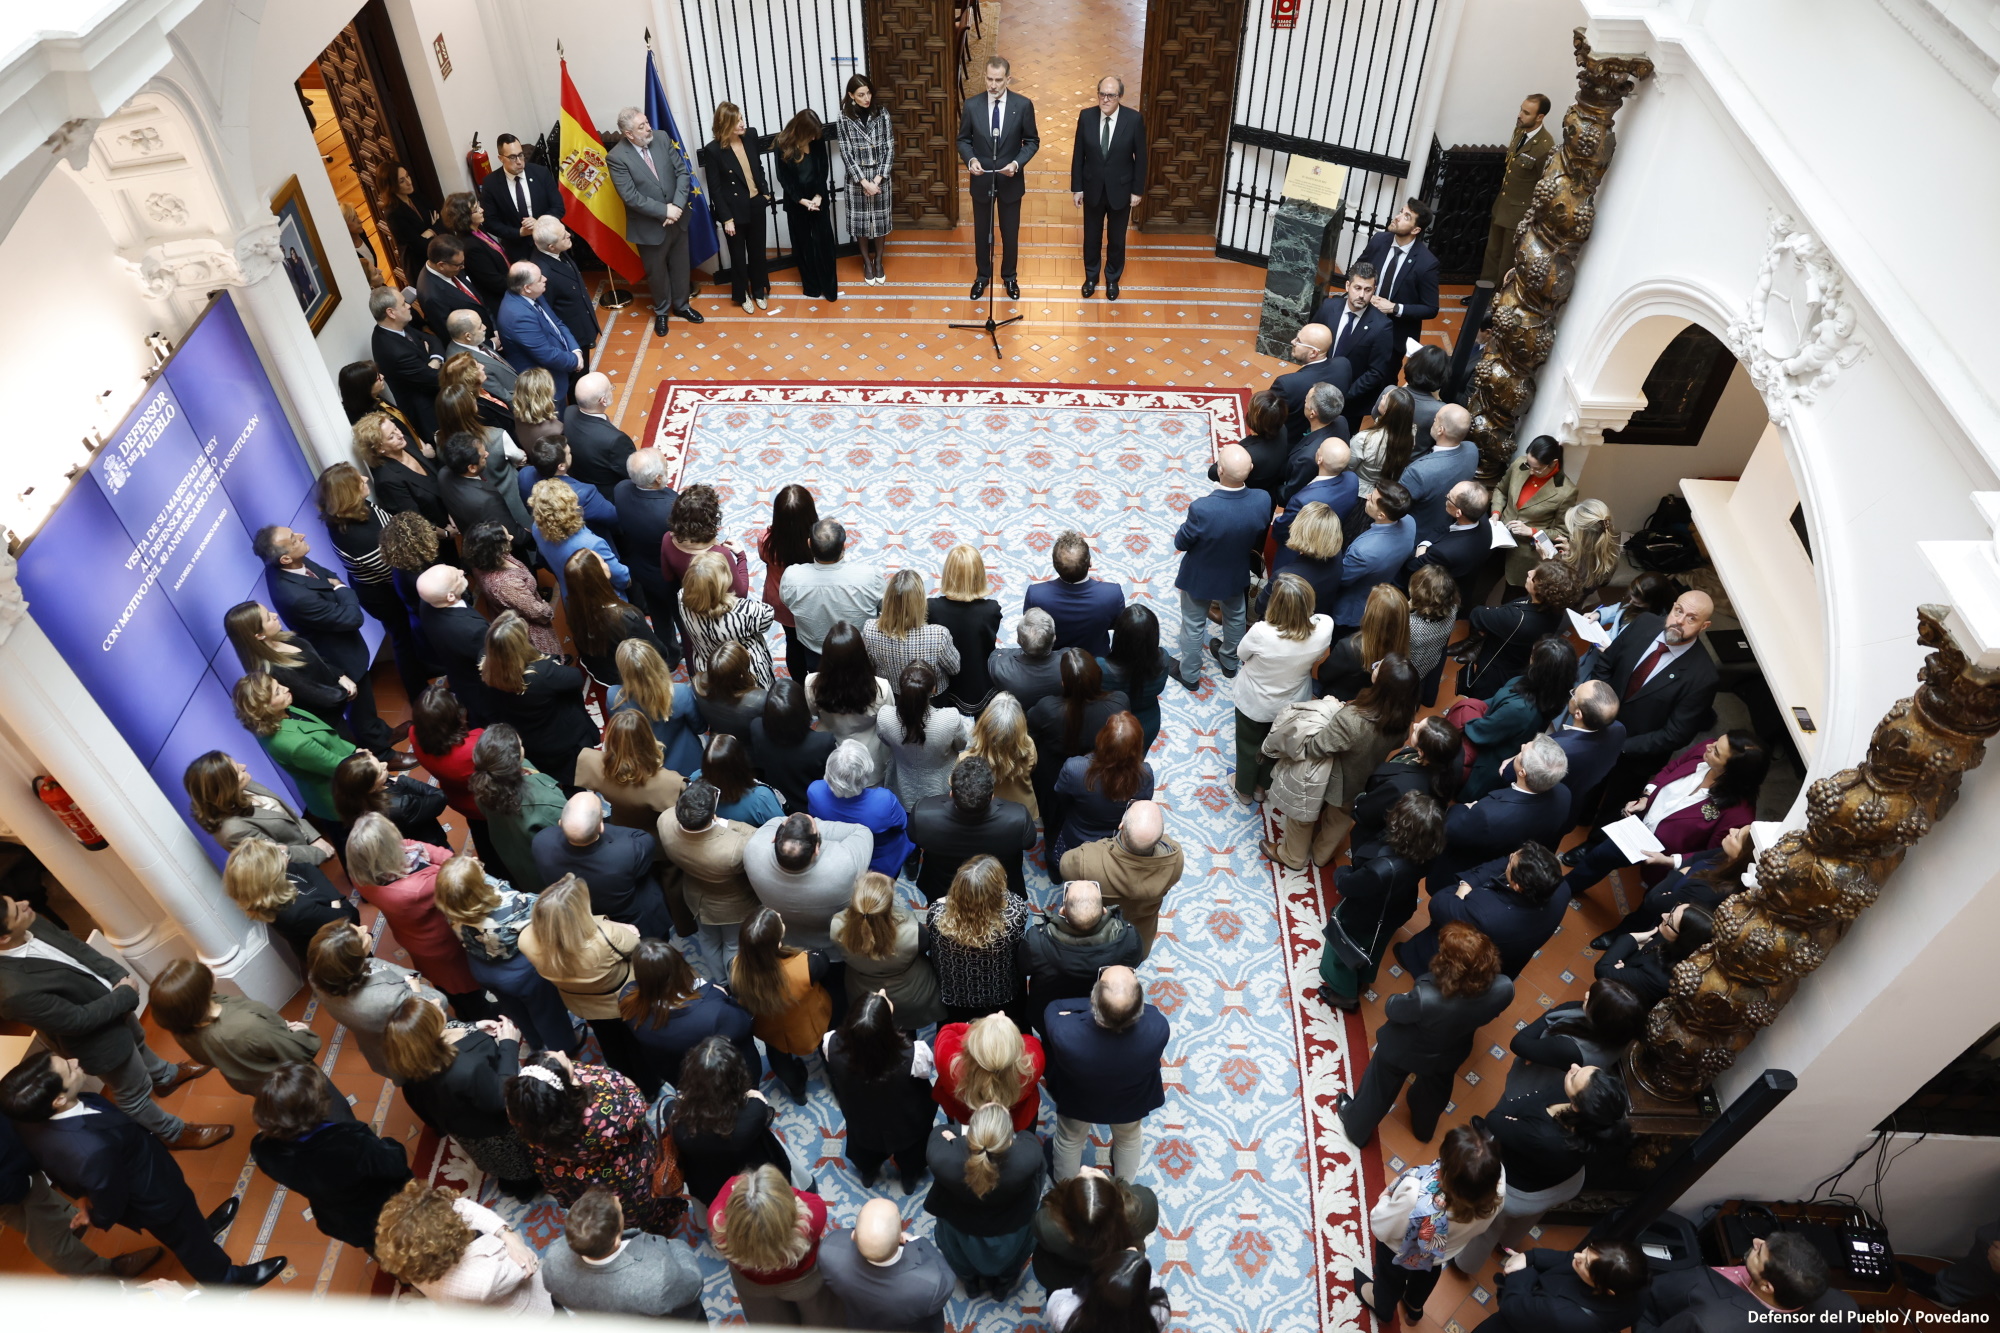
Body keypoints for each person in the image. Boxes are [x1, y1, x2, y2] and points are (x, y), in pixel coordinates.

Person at [0, 1052, 285, 1287]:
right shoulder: (88, 1150)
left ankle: (199, 1230)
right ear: (58, 1100)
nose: (75, 1061)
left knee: (187, 1227)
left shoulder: (33, 1118)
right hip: (153, 1196)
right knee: (184, 1236)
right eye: (68, 1069)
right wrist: (94, 1212)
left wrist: (84, 1195)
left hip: (145, 1172)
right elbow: (109, 1196)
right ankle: (224, 1278)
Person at [0, 896, 224, 1150]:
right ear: (4, 939)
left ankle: (165, 1076)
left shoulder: (29, 922)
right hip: (96, 1040)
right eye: (16, 911)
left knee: (137, 1042)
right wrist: (124, 994)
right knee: (133, 1092)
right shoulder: (12, 992)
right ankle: (173, 1133)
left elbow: (77, 948)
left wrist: (118, 976)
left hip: (115, 999)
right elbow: (76, 1021)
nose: (25, 903)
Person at [1337, 921, 1513, 1146]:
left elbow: (1394, 1009)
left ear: (1450, 966)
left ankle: (1355, 1125)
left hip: (1406, 1050)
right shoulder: (1505, 987)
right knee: (1435, 1089)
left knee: (1380, 1084)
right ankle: (1424, 1129)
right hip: (1453, 1050)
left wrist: (1400, 996)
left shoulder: (1426, 997)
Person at [1452, 1068, 1634, 1276]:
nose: (1574, 1067)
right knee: (1529, 1216)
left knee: (1489, 1226)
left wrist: (1522, 1116)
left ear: (1575, 1106)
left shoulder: (1545, 1136)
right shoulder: (1601, 1122)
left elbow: (1495, 1118)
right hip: (1563, 1182)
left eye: (1575, 1076)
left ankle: (1465, 1264)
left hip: (1518, 1190)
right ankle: (1508, 1241)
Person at [253, 524, 405, 763]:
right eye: (293, 538)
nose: (301, 535)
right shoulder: (294, 595)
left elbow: (327, 576)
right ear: (284, 558)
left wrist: (337, 590)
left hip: (346, 644)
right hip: (337, 656)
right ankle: (382, 752)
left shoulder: (296, 561)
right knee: (360, 711)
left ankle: (383, 734)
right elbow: (352, 617)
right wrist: (343, 590)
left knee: (366, 705)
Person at [1562, 731, 1769, 898]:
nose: (1709, 746)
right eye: (1716, 743)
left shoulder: (1739, 816)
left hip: (1665, 859)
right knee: (1600, 856)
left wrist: (1670, 861)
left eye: (1716, 752)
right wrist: (1646, 797)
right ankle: (1564, 890)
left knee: (1653, 901)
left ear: (1730, 771)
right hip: (1640, 828)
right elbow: (1672, 768)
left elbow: (1711, 855)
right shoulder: (1705, 750)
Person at [1262, 654, 1421, 870]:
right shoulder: (1405, 714)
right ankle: (1321, 856)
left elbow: (1316, 747)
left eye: (1378, 667)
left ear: (1382, 684)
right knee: (1339, 819)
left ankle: (1293, 857)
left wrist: (1328, 711)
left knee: (1302, 817)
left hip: (1331, 777)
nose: (1374, 667)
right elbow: (1396, 743)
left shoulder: (1353, 720)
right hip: (1364, 777)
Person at [505, 1049, 678, 1229]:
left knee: (606, 1211)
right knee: (638, 1201)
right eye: (569, 1068)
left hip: (569, 1175)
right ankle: (655, 1227)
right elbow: (638, 1107)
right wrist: (626, 1084)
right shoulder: (599, 1117)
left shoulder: (521, 1106)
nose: (563, 1052)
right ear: (565, 1094)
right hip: (618, 1170)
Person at [249, 1061, 411, 1253]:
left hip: (341, 1220)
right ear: (319, 1106)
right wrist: (391, 1143)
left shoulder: (261, 1147)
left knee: (377, 1248)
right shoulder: (351, 1142)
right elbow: (396, 1163)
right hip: (387, 1212)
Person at [384, 999, 541, 1198]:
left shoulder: (405, 1062)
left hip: (463, 1130)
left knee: (495, 1162)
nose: (435, 1001)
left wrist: (472, 1027)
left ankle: (510, 1182)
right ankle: (526, 1188)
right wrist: (509, 1045)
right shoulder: (466, 1068)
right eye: (433, 1010)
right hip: (495, 1130)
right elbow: (500, 1099)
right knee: (518, 1164)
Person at [342, 813, 489, 1016]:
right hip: (444, 945)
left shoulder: (361, 872)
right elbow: (456, 874)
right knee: (466, 990)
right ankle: (482, 1015)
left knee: (447, 985)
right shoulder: (418, 888)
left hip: (414, 939)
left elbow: (409, 843)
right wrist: (459, 862)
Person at [1314, 792, 1447, 1012]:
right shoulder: (1430, 849)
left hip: (1365, 914)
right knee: (1374, 946)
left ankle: (1344, 995)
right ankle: (1364, 977)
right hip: (1397, 908)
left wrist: (1343, 872)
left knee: (1343, 951)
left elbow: (1347, 885)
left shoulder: (1381, 868)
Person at [1590, 590, 1722, 812]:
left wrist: (1622, 747)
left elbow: (1676, 733)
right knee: (1588, 787)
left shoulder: (1703, 676)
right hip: (1599, 730)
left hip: (1637, 757)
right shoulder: (1644, 623)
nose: (1679, 621)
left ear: (1704, 626)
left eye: (1691, 618)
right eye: (1678, 611)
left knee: (1614, 808)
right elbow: (1606, 665)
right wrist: (1598, 709)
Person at [1359, 1127, 1504, 1326]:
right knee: (1426, 1273)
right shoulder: (1496, 1194)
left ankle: (1382, 1306)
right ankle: (1414, 1307)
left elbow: (1382, 1227)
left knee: (1390, 1278)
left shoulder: (1415, 1197)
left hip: (1399, 1251)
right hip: (1440, 1252)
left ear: (1445, 1174)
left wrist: (1384, 1199)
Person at [517, 875, 652, 1085]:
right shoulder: (607, 937)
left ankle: (622, 1078)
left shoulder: (525, 939)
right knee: (635, 1042)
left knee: (608, 1042)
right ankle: (649, 1085)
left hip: (581, 1002)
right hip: (620, 999)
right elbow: (635, 942)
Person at [0, 1109, 163, 1279]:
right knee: (47, 1237)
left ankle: (70, 1223)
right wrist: (24, 1184)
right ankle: (103, 1275)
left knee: (40, 1206)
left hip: (17, 1167)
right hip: (12, 1185)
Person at [1043, 965, 1169, 1181]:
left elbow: (1054, 1007)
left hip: (1079, 1100)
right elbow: (1148, 1011)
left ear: (1095, 998)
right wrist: (1120, 1006)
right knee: (1129, 1138)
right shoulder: (1158, 1027)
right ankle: (1124, 1187)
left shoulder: (1065, 1032)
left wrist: (1098, 1005)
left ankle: (1066, 1192)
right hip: (1131, 1100)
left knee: (1070, 1140)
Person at [1171, 443, 1272, 687]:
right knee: (1236, 616)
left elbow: (1181, 542)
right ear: (1250, 469)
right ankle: (1229, 662)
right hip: (1235, 572)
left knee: (1194, 625)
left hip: (1200, 576)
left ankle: (1190, 674)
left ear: (1220, 470)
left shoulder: (1203, 508)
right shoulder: (1263, 499)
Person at [306, 917, 456, 1080]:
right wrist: (413, 983)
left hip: (375, 1046)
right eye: (361, 936)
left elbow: (371, 962)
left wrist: (407, 977)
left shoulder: (317, 976)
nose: (364, 928)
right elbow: (438, 1000)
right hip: (408, 1047)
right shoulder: (389, 998)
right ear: (353, 961)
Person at [925, 1102, 1045, 1298]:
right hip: (1012, 1224)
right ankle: (1002, 1288)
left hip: (960, 1222)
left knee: (960, 1257)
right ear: (1007, 1140)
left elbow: (941, 1130)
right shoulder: (1027, 1156)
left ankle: (971, 1286)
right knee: (1011, 1259)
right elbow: (1025, 1136)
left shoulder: (943, 1157)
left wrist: (959, 1135)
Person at [373, 1181, 551, 1313]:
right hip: (529, 1312)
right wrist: (515, 1243)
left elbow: (461, 1206)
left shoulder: (410, 1256)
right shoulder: (483, 1280)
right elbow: (528, 1263)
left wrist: (507, 1234)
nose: (455, 1209)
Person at [822, 993, 939, 1192]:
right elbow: (925, 1074)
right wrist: (885, 1007)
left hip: (861, 1116)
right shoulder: (914, 1054)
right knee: (912, 1149)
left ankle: (868, 1173)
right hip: (905, 1118)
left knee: (865, 1146)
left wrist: (880, 1005)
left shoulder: (830, 1043)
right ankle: (909, 1177)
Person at [1233, 573, 1335, 801]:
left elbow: (1241, 654)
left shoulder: (1262, 632)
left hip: (1254, 700)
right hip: (1292, 701)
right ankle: (1261, 789)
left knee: (1248, 744)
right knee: (1275, 747)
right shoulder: (1324, 628)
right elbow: (1320, 618)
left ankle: (1244, 790)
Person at [1408, 840, 1571, 981]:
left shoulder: (1485, 915)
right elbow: (1505, 861)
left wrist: (1464, 888)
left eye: (1511, 861)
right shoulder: (1561, 888)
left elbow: (1440, 903)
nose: (1510, 855)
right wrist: (1470, 882)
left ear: (1517, 886)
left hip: (1464, 964)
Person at [541, 1184, 705, 1319]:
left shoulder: (553, 1257)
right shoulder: (659, 1277)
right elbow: (694, 1284)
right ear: (616, 1240)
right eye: (620, 1213)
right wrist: (677, 1246)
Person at [709, 1165, 845, 1326]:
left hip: (751, 1283)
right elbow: (809, 1199)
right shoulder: (811, 1219)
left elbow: (732, 1185)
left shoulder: (716, 1220)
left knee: (769, 1325)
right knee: (821, 1320)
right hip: (804, 1280)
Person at [668, 1035, 793, 1210]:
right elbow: (756, 1101)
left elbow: (679, 1101)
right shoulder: (754, 1112)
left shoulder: (673, 1113)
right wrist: (750, 1095)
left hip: (706, 1177)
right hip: (750, 1170)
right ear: (737, 1077)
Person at [480, 607, 597, 790]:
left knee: (558, 781)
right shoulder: (541, 673)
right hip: (563, 741)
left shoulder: (488, 669)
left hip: (532, 741)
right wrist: (551, 663)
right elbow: (575, 677)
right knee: (577, 782)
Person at [1430, 736, 1572, 886]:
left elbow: (1451, 829)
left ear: (1523, 773)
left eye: (1522, 752)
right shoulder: (1564, 794)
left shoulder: (1489, 814)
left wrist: (1466, 807)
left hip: (1470, 870)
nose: (1522, 744)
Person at [619, 937, 759, 1089]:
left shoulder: (626, 998)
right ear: (680, 966)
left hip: (682, 1077)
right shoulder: (715, 1012)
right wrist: (716, 994)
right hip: (724, 1076)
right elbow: (744, 1023)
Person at [608, 106, 701, 335]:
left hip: (677, 219)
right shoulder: (616, 157)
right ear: (629, 134)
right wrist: (664, 211)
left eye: (647, 122)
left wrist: (677, 207)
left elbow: (682, 172)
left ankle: (681, 306)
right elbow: (630, 196)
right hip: (649, 227)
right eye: (642, 126)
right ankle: (661, 312)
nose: (648, 127)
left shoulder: (661, 137)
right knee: (656, 272)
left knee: (680, 266)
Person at [1643, 1231, 1857, 1329]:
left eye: (1759, 1253)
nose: (1755, 1241)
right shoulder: (1844, 1309)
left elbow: (1646, 1305)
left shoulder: (1706, 1322)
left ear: (1767, 1286)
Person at [534, 791, 674, 939]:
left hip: (586, 919)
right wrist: (596, 827)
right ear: (601, 827)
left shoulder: (541, 842)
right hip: (635, 922)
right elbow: (641, 837)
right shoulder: (627, 852)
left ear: (560, 823)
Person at [730, 907, 834, 1102]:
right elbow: (824, 962)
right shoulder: (808, 964)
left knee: (778, 1057)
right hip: (807, 1023)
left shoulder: (735, 968)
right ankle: (832, 1073)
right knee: (825, 1043)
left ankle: (798, 1091)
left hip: (769, 1028)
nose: (779, 915)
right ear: (778, 942)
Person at [1592, 823, 1754, 948]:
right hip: (1670, 893)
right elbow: (1693, 860)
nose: (1732, 830)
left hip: (1667, 921)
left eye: (1737, 835)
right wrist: (1682, 872)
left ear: (1742, 856)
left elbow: (1653, 901)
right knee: (1640, 916)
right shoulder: (1724, 855)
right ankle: (1620, 934)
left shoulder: (1711, 891)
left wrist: (1679, 874)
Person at [958, 56, 1039, 299]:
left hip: (1010, 180)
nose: (992, 85)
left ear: (1008, 79)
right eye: (989, 79)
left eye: (998, 80)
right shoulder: (972, 106)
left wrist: (1016, 163)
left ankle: (1009, 277)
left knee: (1010, 231)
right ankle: (982, 277)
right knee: (982, 232)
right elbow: (963, 140)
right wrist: (971, 160)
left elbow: (1032, 141)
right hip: (982, 180)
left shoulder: (1023, 105)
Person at [657, 781, 759, 974]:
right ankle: (732, 983)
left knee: (707, 940)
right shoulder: (734, 849)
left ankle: (719, 982)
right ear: (712, 814)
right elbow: (756, 837)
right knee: (732, 945)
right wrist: (724, 823)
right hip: (732, 907)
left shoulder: (664, 821)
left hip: (695, 897)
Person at [231, 672, 358, 827]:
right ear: (264, 708)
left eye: (279, 685)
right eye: (277, 692)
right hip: (340, 796)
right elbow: (338, 767)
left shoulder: (280, 713)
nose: (285, 688)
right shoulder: (294, 744)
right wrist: (364, 760)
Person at [1461, 636, 1580, 800]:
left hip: (1487, 762)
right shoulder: (1553, 691)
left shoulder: (1521, 709)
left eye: (1534, 656)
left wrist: (1466, 712)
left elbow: (1481, 732)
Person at [1060, 800, 1182, 959]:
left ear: (1121, 825)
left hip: (1096, 933)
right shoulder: (1175, 860)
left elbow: (1064, 866)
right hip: (1139, 937)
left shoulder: (1086, 859)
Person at [745, 809, 878, 953]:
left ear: (774, 839)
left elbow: (778, 820)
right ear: (816, 849)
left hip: (782, 940)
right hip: (831, 948)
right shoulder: (844, 862)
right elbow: (862, 831)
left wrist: (801, 830)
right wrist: (813, 825)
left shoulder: (753, 848)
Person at [909, 754, 1035, 902]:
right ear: (992, 796)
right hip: (996, 889)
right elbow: (1029, 843)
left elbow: (913, 837)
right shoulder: (1018, 817)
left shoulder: (922, 813)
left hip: (944, 889)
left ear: (951, 793)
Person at [223, 598, 358, 737]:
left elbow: (316, 659)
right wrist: (344, 693)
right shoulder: (273, 670)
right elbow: (317, 696)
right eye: (269, 618)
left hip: (337, 704)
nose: (274, 614)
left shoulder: (281, 637)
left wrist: (339, 675)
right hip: (327, 724)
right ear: (259, 635)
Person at [819, 1195, 956, 1331]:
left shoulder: (828, 1250)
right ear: (901, 1238)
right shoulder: (930, 1286)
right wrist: (917, 1241)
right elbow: (948, 1276)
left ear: (854, 1235)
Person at [1017, 879, 1141, 1023]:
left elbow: (1022, 968)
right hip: (1103, 1009)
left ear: (1062, 910)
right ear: (1104, 910)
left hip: (1051, 1013)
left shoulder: (1036, 941)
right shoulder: (1129, 938)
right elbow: (1134, 963)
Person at [1504, 978, 1647, 1103]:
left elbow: (1518, 1043)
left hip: (1534, 1085)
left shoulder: (1568, 1048)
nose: (1586, 995)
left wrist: (1548, 1021)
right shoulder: (1621, 1029)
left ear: (1601, 1017)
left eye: (1592, 998)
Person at [1028, 648, 1130, 823]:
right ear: (1099, 677)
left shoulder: (1048, 708)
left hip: (1054, 771)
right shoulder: (1118, 703)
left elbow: (1031, 732)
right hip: (1097, 771)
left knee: (1054, 817)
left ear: (1064, 684)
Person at [831, 872, 945, 1028]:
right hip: (910, 994)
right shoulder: (913, 931)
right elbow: (928, 948)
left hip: (862, 992)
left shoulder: (837, 927)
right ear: (889, 905)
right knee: (908, 1033)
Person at [184, 749, 334, 867]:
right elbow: (277, 856)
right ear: (226, 788)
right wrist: (318, 852)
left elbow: (286, 812)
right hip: (300, 868)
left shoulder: (245, 784)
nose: (244, 766)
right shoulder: (234, 831)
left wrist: (314, 837)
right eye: (237, 771)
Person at [1068, 73, 1146, 299]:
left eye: (1111, 95)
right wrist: (1077, 188)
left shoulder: (1133, 120)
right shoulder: (1086, 117)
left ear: (1119, 96)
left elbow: (1140, 158)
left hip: (1121, 190)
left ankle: (1112, 279)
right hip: (1092, 189)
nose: (1105, 99)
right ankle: (1091, 277)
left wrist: (1137, 191)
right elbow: (1078, 155)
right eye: (1102, 94)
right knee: (1091, 238)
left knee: (1117, 239)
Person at [928, 856, 1031, 1024]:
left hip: (955, 992)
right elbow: (1009, 900)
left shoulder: (937, 915)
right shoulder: (1015, 914)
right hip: (1001, 991)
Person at [220, 836, 358, 963]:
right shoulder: (296, 911)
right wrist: (335, 901)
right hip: (339, 955)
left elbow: (307, 868)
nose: (283, 848)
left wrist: (332, 900)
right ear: (269, 873)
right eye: (277, 852)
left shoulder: (275, 881)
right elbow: (348, 916)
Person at [468, 722, 567, 896]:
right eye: (520, 745)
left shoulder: (483, 786)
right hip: (550, 875)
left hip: (516, 862)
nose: (523, 747)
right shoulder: (544, 802)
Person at [1459, 560, 1580, 701]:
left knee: (1480, 705)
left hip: (1496, 671)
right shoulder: (1555, 606)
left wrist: (1491, 619)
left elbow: (1476, 614)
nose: (1529, 573)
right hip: (1518, 663)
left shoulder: (1517, 619)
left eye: (1534, 577)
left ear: (1540, 590)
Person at [1032, 1170, 1159, 1297]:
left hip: (1063, 1278)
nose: (1084, 1167)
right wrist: (1110, 1185)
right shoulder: (1144, 1206)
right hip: (1118, 1274)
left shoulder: (1046, 1224)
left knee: (1057, 1301)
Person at [782, 519, 886, 674]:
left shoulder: (791, 577)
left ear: (809, 543)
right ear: (845, 546)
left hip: (814, 653)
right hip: (858, 651)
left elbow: (787, 604)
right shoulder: (870, 576)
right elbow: (884, 609)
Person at [1354, 197, 1440, 383]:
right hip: (1363, 319)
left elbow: (1431, 308)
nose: (1397, 217)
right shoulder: (1379, 240)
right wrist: (1364, 291)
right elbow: (1358, 268)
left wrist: (1395, 308)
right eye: (1400, 211)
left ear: (1416, 229)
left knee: (1383, 379)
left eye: (1406, 216)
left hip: (1394, 334)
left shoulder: (1427, 263)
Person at [1477, 1241, 1649, 1333]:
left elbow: (1513, 1305)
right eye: (1588, 1249)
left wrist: (1522, 1271)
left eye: (1586, 1264)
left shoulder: (1561, 1314)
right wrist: (1530, 1257)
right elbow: (1569, 1258)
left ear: (1606, 1290)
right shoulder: (1634, 1284)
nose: (1578, 1255)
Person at [1477, 93, 1556, 290]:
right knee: (1491, 252)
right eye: (1521, 109)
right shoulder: (1519, 131)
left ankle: (1496, 299)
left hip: (1519, 213)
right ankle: (1482, 294)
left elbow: (1543, 183)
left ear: (1540, 117)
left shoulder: (1545, 146)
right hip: (1503, 205)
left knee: (1506, 259)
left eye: (1526, 112)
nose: (1520, 115)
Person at [1053, 711, 1153, 868]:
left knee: (1072, 873)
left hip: (1077, 838)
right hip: (1115, 844)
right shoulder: (1145, 775)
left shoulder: (1074, 768)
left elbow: (1061, 798)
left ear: (1101, 740)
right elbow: (1140, 808)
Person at [703, 100, 774, 311]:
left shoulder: (750, 136)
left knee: (758, 251)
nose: (742, 124)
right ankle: (742, 293)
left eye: (742, 118)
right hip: (733, 212)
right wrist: (726, 218)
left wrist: (766, 194)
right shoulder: (713, 150)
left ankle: (759, 289)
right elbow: (715, 188)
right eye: (737, 121)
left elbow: (758, 167)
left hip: (756, 204)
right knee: (737, 255)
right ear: (725, 125)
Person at [808, 740, 914, 878]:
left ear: (830, 770)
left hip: (839, 857)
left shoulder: (815, 791)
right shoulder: (883, 800)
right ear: (866, 774)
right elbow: (902, 823)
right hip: (879, 862)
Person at [576, 709, 689, 835]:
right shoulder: (670, 783)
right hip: (653, 836)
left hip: (618, 826)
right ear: (647, 737)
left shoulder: (591, 762)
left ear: (610, 738)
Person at [879, 663, 974, 809]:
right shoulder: (950, 719)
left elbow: (885, 740)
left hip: (901, 788)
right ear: (934, 689)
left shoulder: (885, 717)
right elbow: (961, 745)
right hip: (940, 787)